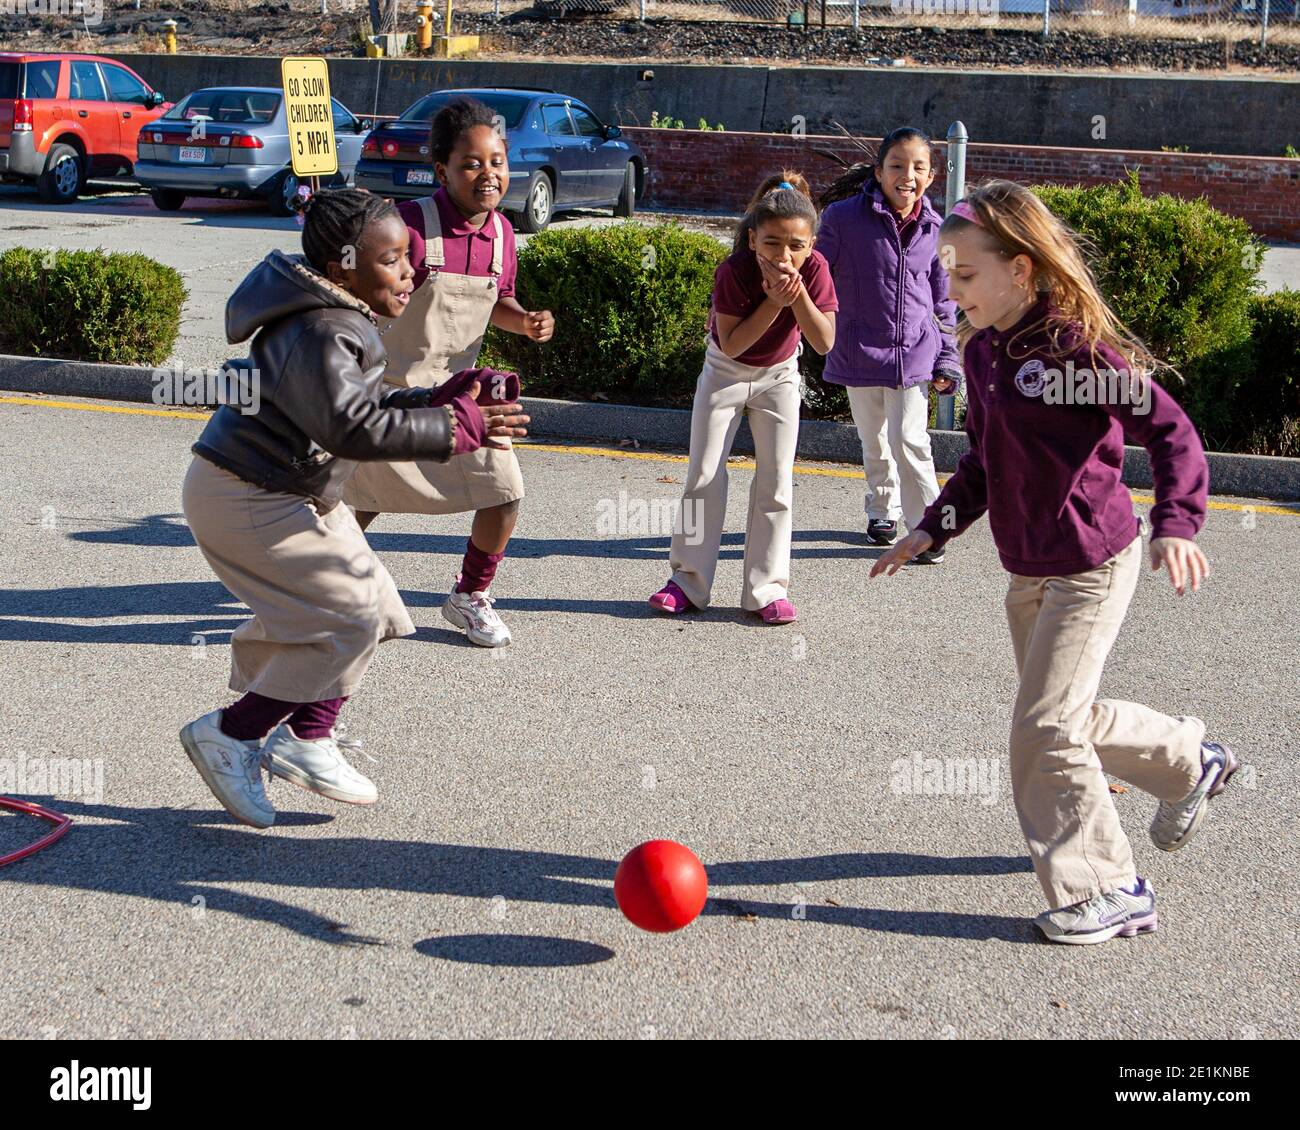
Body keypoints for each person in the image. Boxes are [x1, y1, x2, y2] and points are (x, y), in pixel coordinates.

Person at [871, 181, 1236, 944]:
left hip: (1091, 564)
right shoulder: (983, 354)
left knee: (1042, 727)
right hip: (1029, 567)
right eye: (946, 272)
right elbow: (982, 460)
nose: (951, 288)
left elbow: (1171, 432)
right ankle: (1187, 761)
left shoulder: (1075, 349)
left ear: (1023, 271)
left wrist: (1178, 522)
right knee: (1070, 718)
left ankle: (1111, 887)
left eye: (966, 274)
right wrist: (932, 527)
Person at [180, 189, 529, 828]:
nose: (410, 272)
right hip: (250, 494)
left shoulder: (336, 315)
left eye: (409, 257)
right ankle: (234, 734)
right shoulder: (324, 327)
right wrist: (453, 428)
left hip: (280, 486)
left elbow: (352, 411)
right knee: (349, 618)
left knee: (377, 606)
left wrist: (440, 396)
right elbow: (351, 429)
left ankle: (307, 737)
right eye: (394, 260)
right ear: (345, 266)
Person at [344, 97, 555, 648]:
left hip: (463, 397)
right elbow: (364, 294)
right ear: (441, 170)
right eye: (471, 163)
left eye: (498, 162)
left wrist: (525, 321)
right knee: (356, 499)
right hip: (389, 395)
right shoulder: (409, 225)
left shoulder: (505, 235)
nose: (488, 174)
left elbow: (498, 299)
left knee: (504, 490)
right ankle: (328, 585)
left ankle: (470, 595)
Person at [648, 172, 837, 624]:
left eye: (796, 245)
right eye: (772, 243)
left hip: (780, 376)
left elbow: (825, 341)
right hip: (725, 373)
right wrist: (774, 302)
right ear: (753, 239)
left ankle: (766, 590)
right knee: (704, 476)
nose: (784, 255)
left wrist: (797, 299)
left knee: (776, 481)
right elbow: (733, 344)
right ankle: (687, 582)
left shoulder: (816, 270)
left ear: (811, 244)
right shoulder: (733, 271)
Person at [816, 127, 961, 562]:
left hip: (914, 352)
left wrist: (949, 357)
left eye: (918, 167)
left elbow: (945, 299)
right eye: (897, 165)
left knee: (909, 439)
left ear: (931, 176)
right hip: (857, 349)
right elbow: (818, 276)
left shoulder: (938, 229)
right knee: (873, 437)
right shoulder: (842, 219)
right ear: (878, 172)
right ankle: (882, 510)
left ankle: (929, 528)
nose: (907, 175)